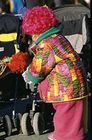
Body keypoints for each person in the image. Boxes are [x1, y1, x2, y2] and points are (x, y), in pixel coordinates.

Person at [22, 6, 89, 140]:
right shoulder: (58, 37)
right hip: (76, 87)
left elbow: (38, 69)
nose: (33, 38)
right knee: (74, 118)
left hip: (66, 90)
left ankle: (64, 137)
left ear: (37, 31)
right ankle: (70, 134)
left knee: (65, 116)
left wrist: (28, 74)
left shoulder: (47, 44)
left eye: (33, 34)